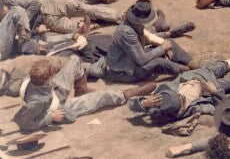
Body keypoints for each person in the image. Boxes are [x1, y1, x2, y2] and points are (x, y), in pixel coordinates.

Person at [13, 55, 153, 133]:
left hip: (54, 92)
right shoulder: (35, 103)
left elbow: (48, 80)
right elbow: (25, 124)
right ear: (46, 79)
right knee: (102, 96)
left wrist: (54, 77)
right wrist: (50, 118)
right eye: (51, 75)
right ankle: (127, 95)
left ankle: (81, 89)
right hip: (59, 105)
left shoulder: (33, 78)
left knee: (74, 60)